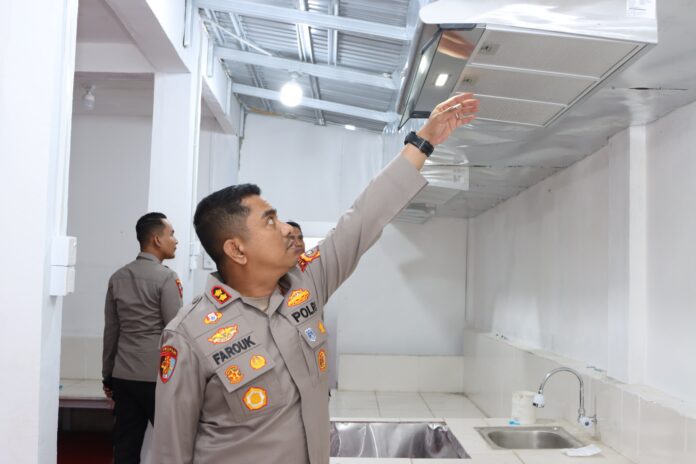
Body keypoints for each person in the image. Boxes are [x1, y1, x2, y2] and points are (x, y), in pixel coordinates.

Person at [151, 94, 479, 464]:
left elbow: (362, 218)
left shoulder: (305, 284)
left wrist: (424, 140)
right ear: (237, 250)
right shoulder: (189, 336)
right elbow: (169, 453)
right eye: (270, 222)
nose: (287, 228)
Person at [102, 212, 184, 464]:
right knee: (172, 444)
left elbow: (111, 330)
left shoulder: (118, 277)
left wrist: (108, 375)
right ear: (157, 239)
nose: (176, 240)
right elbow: (174, 330)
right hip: (157, 376)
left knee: (125, 446)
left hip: (123, 375)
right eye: (171, 234)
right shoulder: (166, 277)